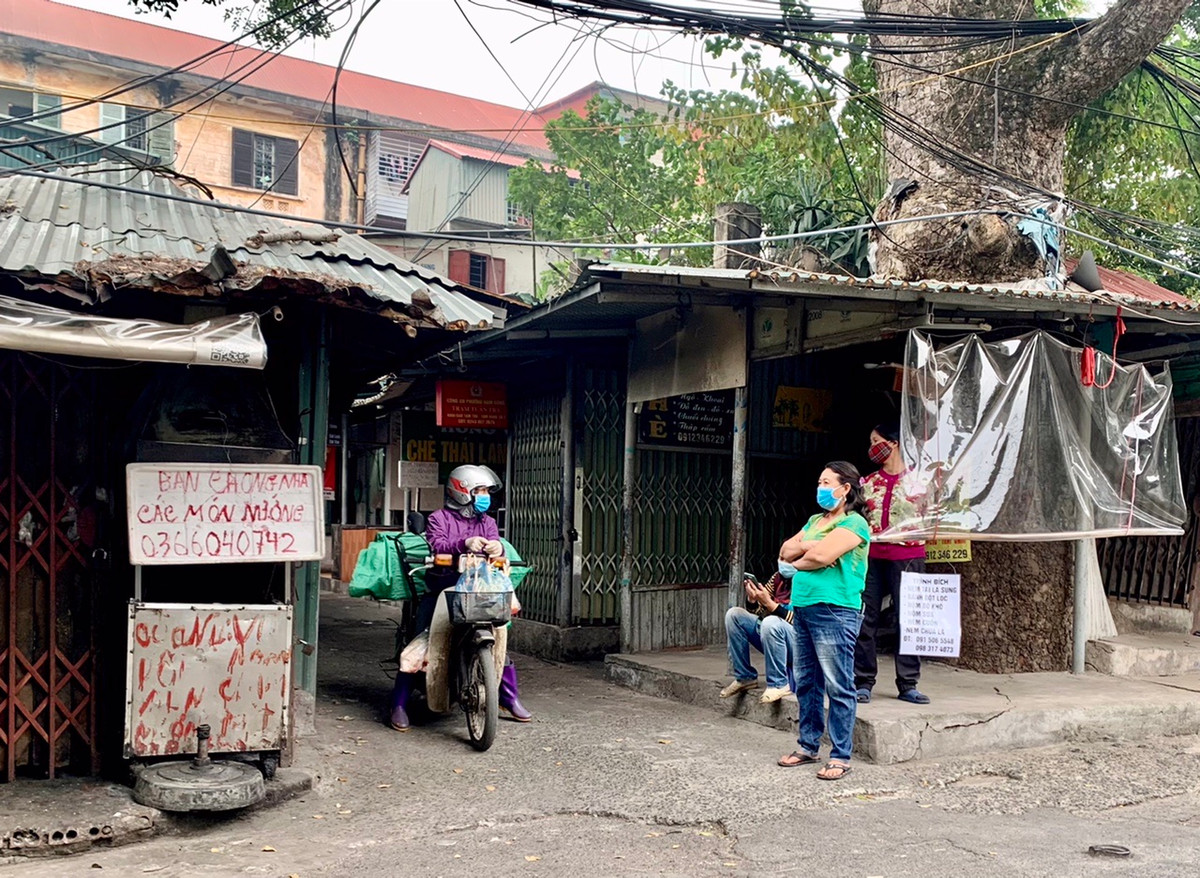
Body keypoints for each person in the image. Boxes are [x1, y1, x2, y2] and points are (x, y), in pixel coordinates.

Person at [389, 464, 532, 731]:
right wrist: (463, 544)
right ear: (462, 491)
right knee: (419, 646)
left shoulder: (488, 522)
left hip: (478, 592)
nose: (484, 496)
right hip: (443, 590)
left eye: (487, 491)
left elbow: (494, 546)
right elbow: (438, 544)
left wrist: (496, 546)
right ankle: (399, 704)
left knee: (500, 643)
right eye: (479, 490)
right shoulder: (438, 519)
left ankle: (509, 698)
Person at [776, 461, 870, 781]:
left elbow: (820, 557)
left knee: (838, 684)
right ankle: (808, 745)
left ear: (845, 489)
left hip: (835, 609)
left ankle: (841, 754)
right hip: (802, 608)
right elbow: (785, 550)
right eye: (819, 481)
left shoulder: (855, 523)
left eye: (827, 482)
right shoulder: (816, 520)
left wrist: (802, 555)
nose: (821, 487)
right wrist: (808, 546)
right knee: (807, 682)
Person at [856, 422, 931, 705]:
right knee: (865, 618)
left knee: (909, 620)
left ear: (894, 442)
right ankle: (863, 681)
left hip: (908, 559)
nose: (872, 448)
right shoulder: (867, 483)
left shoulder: (920, 482)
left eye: (876, 441)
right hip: (871, 559)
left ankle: (908, 683)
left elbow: (933, 518)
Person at [720, 572, 794, 704]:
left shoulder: (809, 580)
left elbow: (804, 623)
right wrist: (753, 600)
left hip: (800, 644)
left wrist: (772, 606)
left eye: (787, 558)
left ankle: (778, 684)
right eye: (781, 558)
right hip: (773, 636)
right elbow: (759, 611)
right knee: (734, 615)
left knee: (770, 622)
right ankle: (745, 677)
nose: (783, 562)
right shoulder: (777, 578)